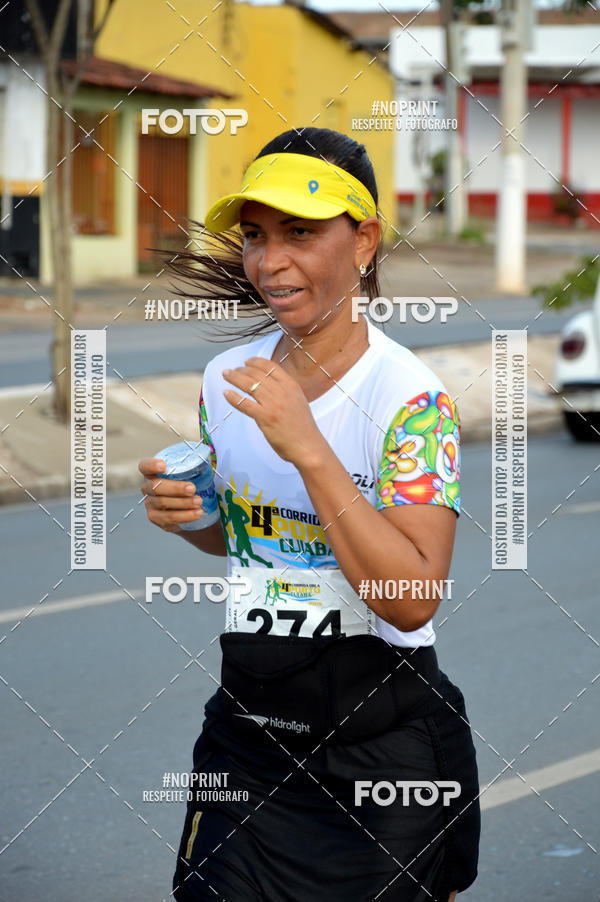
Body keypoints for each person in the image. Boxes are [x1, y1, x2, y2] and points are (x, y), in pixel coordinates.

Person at [139, 127, 480, 902]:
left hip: (381, 751)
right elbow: (245, 539)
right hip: (249, 736)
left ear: (363, 241)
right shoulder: (229, 375)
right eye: (256, 236)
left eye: (300, 232)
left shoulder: (411, 400)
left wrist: (312, 451)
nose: (269, 261)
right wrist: (188, 515)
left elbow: (412, 595)